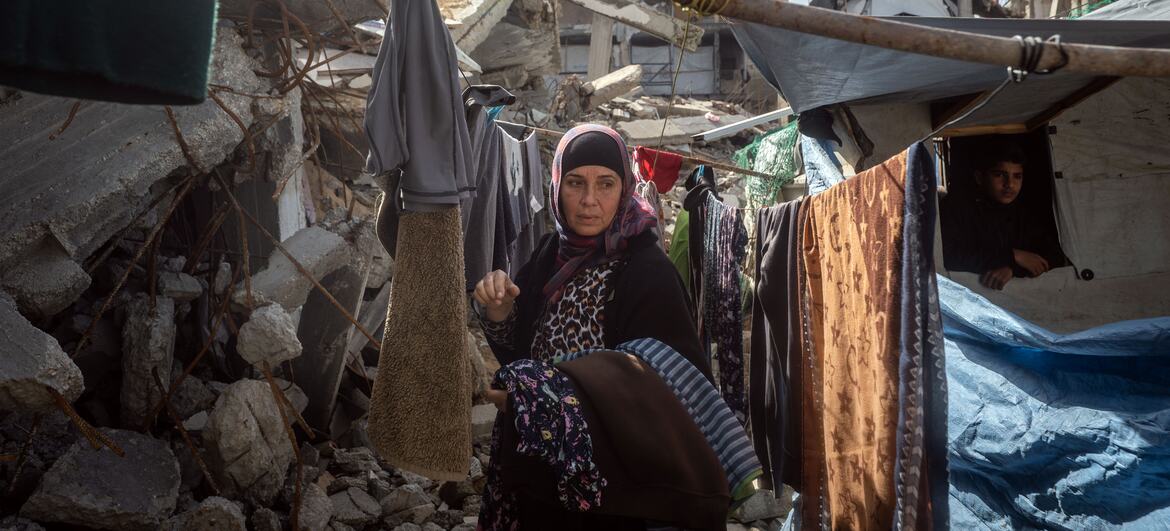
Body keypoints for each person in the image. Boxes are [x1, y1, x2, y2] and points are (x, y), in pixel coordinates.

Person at [472, 124, 713, 528]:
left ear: (625, 189)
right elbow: (520, 357)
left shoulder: (646, 272)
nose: (588, 201)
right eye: (575, 183)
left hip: (611, 489)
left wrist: (539, 396)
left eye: (605, 184)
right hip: (541, 469)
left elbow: (668, 392)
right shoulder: (549, 255)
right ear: (556, 187)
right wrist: (499, 314)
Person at [942, 146, 1066, 290]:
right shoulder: (956, 207)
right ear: (980, 178)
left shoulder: (1023, 212)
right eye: (1000, 175)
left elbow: (1053, 255)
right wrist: (1013, 256)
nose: (1010, 184)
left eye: (1017, 176)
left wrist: (1012, 268)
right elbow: (950, 256)